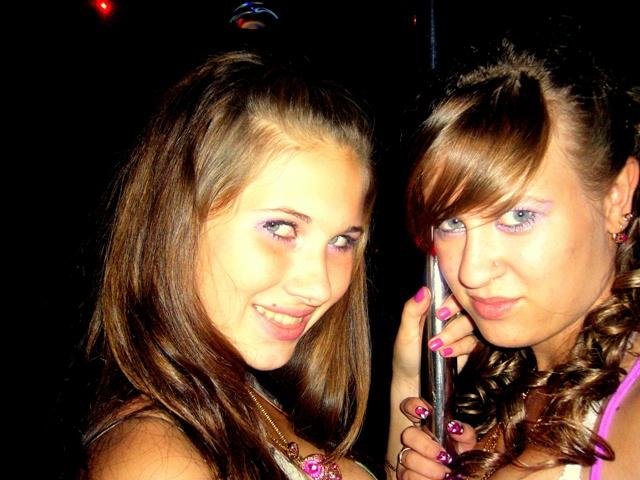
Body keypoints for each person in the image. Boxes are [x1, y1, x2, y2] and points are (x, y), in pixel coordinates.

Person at [79, 49, 387, 480]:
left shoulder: (247, 395)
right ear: (177, 222)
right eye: (280, 228)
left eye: (341, 241)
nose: (320, 287)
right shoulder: (158, 462)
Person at [389, 37, 640, 479]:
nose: (472, 271)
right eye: (451, 222)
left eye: (518, 216)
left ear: (616, 197)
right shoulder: (520, 391)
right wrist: (409, 382)